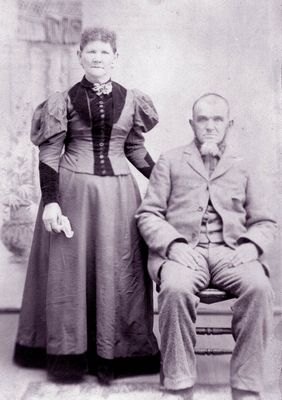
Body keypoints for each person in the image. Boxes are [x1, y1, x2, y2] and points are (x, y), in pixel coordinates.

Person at [14, 27, 159, 383]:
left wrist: (164, 181)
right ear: (79, 55)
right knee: (70, 273)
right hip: (73, 196)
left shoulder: (131, 99)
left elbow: (134, 150)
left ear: (115, 58)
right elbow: (50, 153)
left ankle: (118, 352)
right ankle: (70, 353)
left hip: (120, 199)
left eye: (104, 53)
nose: (97, 58)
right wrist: (51, 202)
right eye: (90, 52)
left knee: (119, 271)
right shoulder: (61, 100)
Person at [136, 93, 277, 400]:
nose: (210, 126)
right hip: (185, 252)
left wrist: (252, 247)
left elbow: (266, 221)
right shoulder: (170, 160)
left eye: (217, 120)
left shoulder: (245, 165)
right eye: (203, 119)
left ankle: (246, 385)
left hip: (233, 253)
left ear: (230, 124)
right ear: (192, 123)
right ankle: (178, 384)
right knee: (174, 288)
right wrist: (172, 245)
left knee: (260, 288)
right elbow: (148, 214)